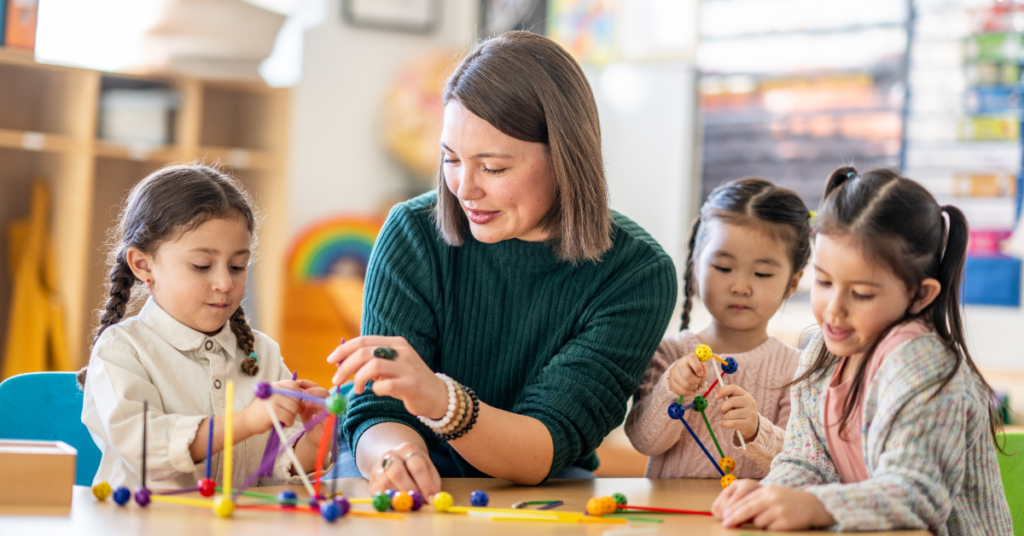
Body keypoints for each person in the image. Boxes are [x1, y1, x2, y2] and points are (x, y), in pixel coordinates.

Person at [328, 31, 677, 496]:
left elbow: (544, 447)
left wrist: (438, 399)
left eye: (492, 168)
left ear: (566, 159)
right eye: (451, 159)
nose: (464, 188)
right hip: (408, 452)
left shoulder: (637, 274)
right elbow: (377, 412)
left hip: (540, 472)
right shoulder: (413, 231)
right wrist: (398, 457)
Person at [712, 167, 1013, 535]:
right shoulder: (822, 353)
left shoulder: (923, 364)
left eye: (862, 293)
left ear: (920, 295)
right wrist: (769, 495)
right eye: (823, 281)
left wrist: (814, 505)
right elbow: (808, 461)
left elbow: (918, 495)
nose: (834, 308)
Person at [80, 164, 329, 490]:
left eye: (238, 266)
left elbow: (276, 468)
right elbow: (146, 450)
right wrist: (246, 422)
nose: (225, 283)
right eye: (201, 266)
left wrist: (314, 441)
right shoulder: (122, 351)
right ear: (143, 265)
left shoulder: (262, 354)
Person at [626, 178, 810, 478]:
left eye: (762, 273)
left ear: (792, 283)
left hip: (749, 519)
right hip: (673, 520)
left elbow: (802, 464)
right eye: (723, 268)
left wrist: (756, 430)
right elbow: (644, 441)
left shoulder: (796, 369)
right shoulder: (669, 352)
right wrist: (672, 389)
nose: (740, 287)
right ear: (696, 267)